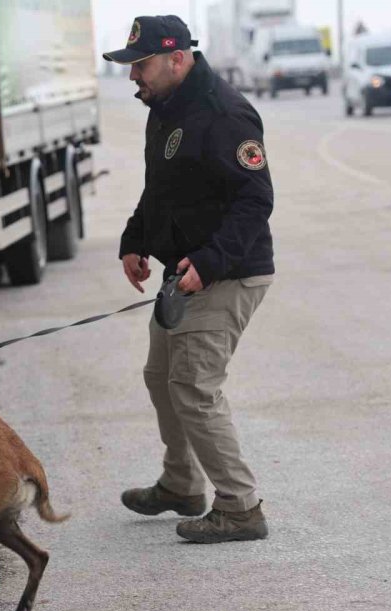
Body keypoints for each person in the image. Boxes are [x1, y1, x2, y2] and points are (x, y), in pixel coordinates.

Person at [103, 15, 275, 543]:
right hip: (184, 274)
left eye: (142, 65)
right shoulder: (165, 106)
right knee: (162, 378)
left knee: (194, 387)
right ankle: (181, 485)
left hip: (227, 274)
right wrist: (135, 241)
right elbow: (161, 189)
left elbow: (256, 200)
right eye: (131, 67)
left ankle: (240, 507)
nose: (135, 77)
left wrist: (210, 262)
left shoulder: (223, 114)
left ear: (177, 58)